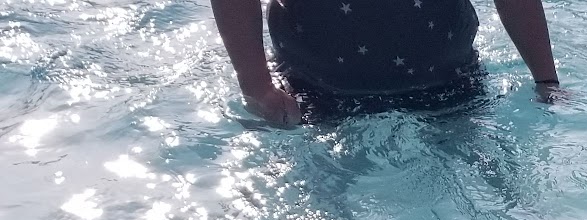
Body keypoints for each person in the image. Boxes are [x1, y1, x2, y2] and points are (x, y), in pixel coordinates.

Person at [210, 0, 561, 125]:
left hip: (448, 84)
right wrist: (256, 86)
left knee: (491, 202)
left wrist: (546, 81)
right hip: (312, 90)